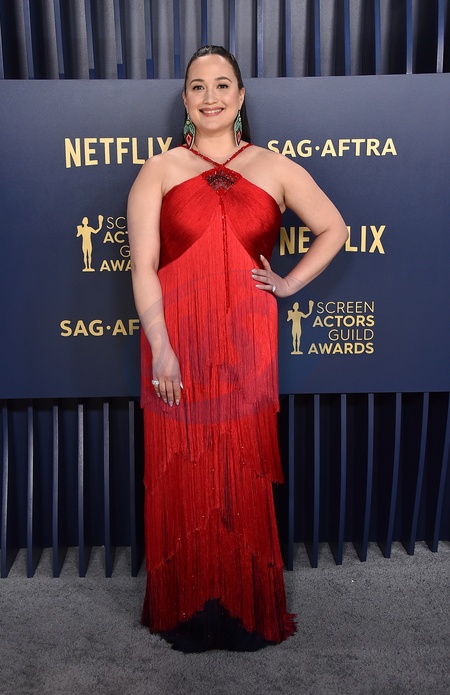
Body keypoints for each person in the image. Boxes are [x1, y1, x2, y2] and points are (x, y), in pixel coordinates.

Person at [127, 45, 348, 652]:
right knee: (185, 469)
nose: (211, 97)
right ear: (185, 100)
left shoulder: (274, 168)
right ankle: (189, 610)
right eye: (199, 86)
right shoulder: (159, 170)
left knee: (240, 471)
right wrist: (162, 347)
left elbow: (334, 228)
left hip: (247, 342)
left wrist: (288, 284)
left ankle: (243, 607)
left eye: (223, 84)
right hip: (176, 342)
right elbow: (143, 267)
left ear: (241, 96)